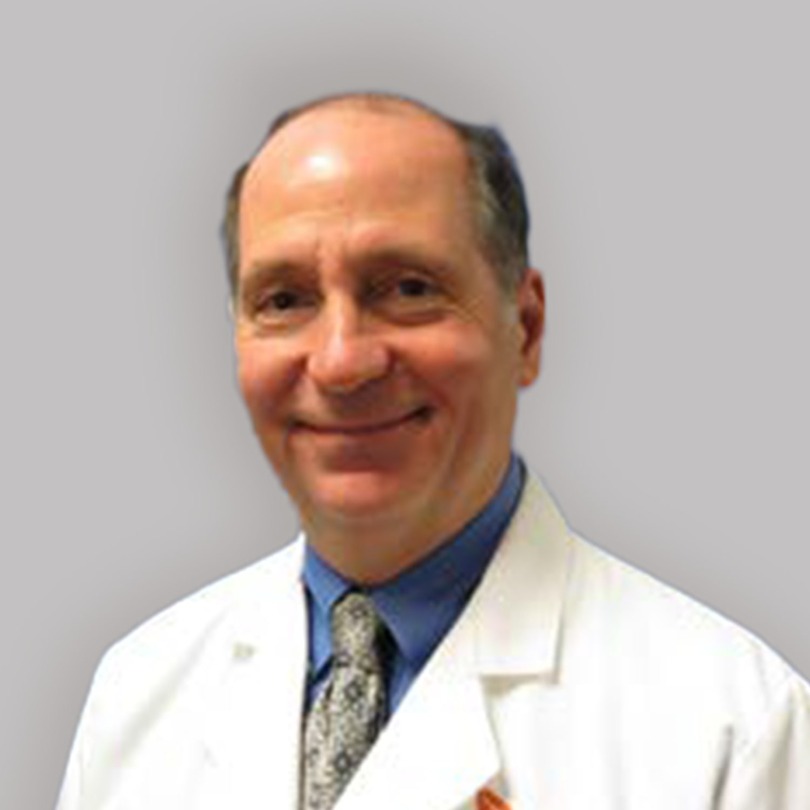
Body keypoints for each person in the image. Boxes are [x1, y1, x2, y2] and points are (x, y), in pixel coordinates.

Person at [57, 92, 810, 810]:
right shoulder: (139, 691)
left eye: (408, 288)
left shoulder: (732, 725)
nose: (342, 361)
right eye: (284, 300)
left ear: (527, 327)